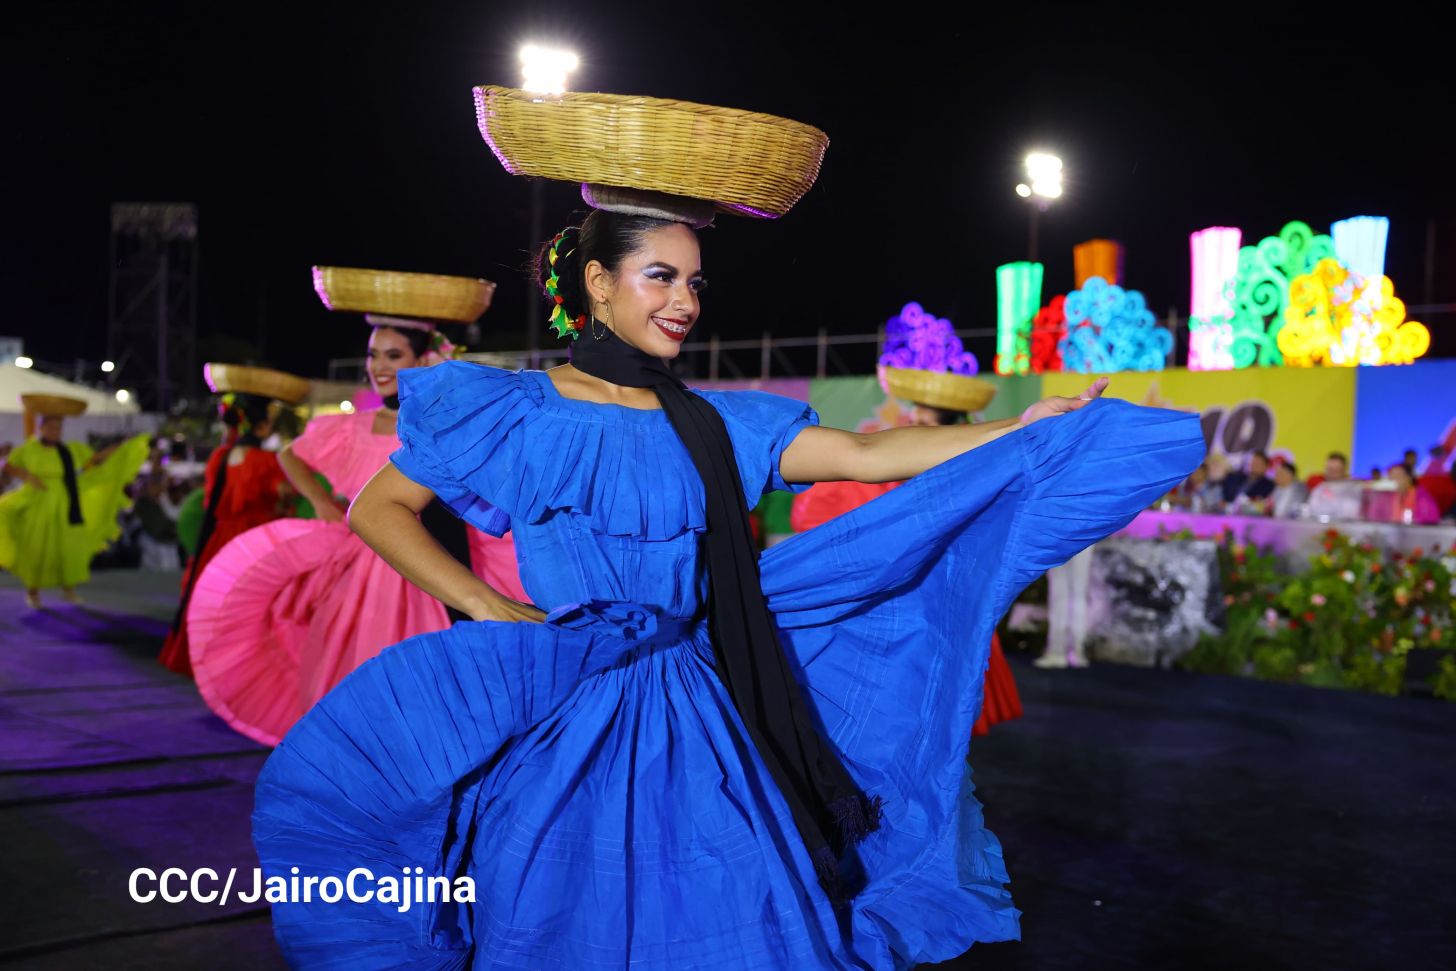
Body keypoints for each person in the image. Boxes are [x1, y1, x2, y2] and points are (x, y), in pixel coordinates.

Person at [250, 87, 1204, 968]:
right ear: (596, 282)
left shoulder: (717, 422)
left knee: (729, 910)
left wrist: (1020, 431)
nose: (685, 303)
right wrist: (486, 605)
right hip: (560, 707)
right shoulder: (514, 411)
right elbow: (382, 507)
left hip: (701, 710)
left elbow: (870, 460)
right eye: (661, 276)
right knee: (551, 910)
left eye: (696, 283)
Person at [186, 270, 525, 746]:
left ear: (424, 358)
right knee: (358, 669)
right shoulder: (353, 427)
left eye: (393, 355)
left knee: (428, 685)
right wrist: (324, 503)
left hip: (432, 560)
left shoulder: (441, 420)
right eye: (372, 355)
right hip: (365, 566)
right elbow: (291, 456)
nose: (378, 366)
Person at [791, 306, 1021, 737]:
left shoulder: (967, 463)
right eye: (915, 408)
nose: (914, 416)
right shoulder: (912, 458)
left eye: (926, 412)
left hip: (944, 595)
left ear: (949, 420)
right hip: (917, 599)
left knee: (941, 719)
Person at [157, 367, 307, 675]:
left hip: (219, 538)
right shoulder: (268, 462)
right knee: (251, 607)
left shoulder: (219, 456)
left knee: (217, 603)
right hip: (254, 541)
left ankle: (209, 662)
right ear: (265, 425)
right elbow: (285, 497)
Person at [0, 395, 149, 609]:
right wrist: (28, 477)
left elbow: (94, 461)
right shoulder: (29, 448)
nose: (55, 431)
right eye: (51, 427)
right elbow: (7, 464)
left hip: (65, 501)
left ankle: (67, 589)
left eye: (58, 428)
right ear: (42, 428)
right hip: (37, 501)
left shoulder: (69, 449)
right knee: (36, 547)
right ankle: (33, 592)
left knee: (67, 547)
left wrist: (118, 449)